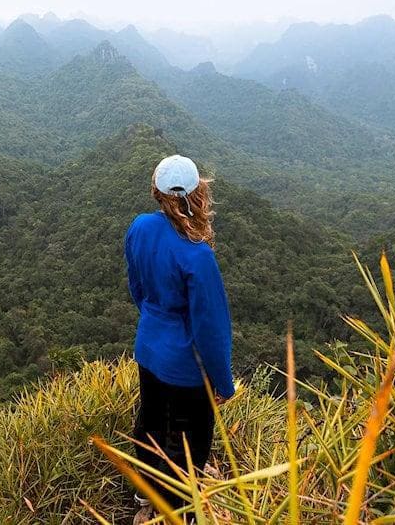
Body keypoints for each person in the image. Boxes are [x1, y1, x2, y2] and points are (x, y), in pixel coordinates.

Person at [125, 154, 235, 523]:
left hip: (149, 346)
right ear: (198, 194)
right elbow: (211, 328)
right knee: (189, 442)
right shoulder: (197, 256)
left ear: (156, 192)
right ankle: (175, 512)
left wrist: (155, 321)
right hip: (186, 365)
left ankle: (145, 493)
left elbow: (137, 286)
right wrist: (223, 383)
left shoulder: (140, 227)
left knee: (151, 422)